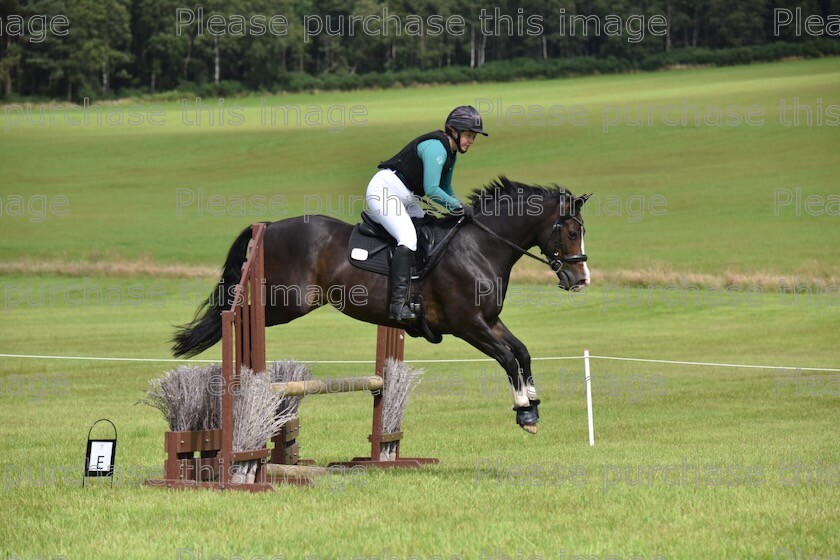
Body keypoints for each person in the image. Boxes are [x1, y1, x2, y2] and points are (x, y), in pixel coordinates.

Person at [365, 105, 488, 324]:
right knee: (408, 238)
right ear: (454, 130)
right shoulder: (436, 148)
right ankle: (397, 305)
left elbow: (446, 189)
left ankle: (418, 292)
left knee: (427, 231)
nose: (471, 141)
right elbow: (432, 190)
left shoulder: (451, 153)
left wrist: (459, 207)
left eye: (474, 137)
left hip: (407, 197)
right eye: (469, 135)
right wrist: (457, 206)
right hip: (384, 191)